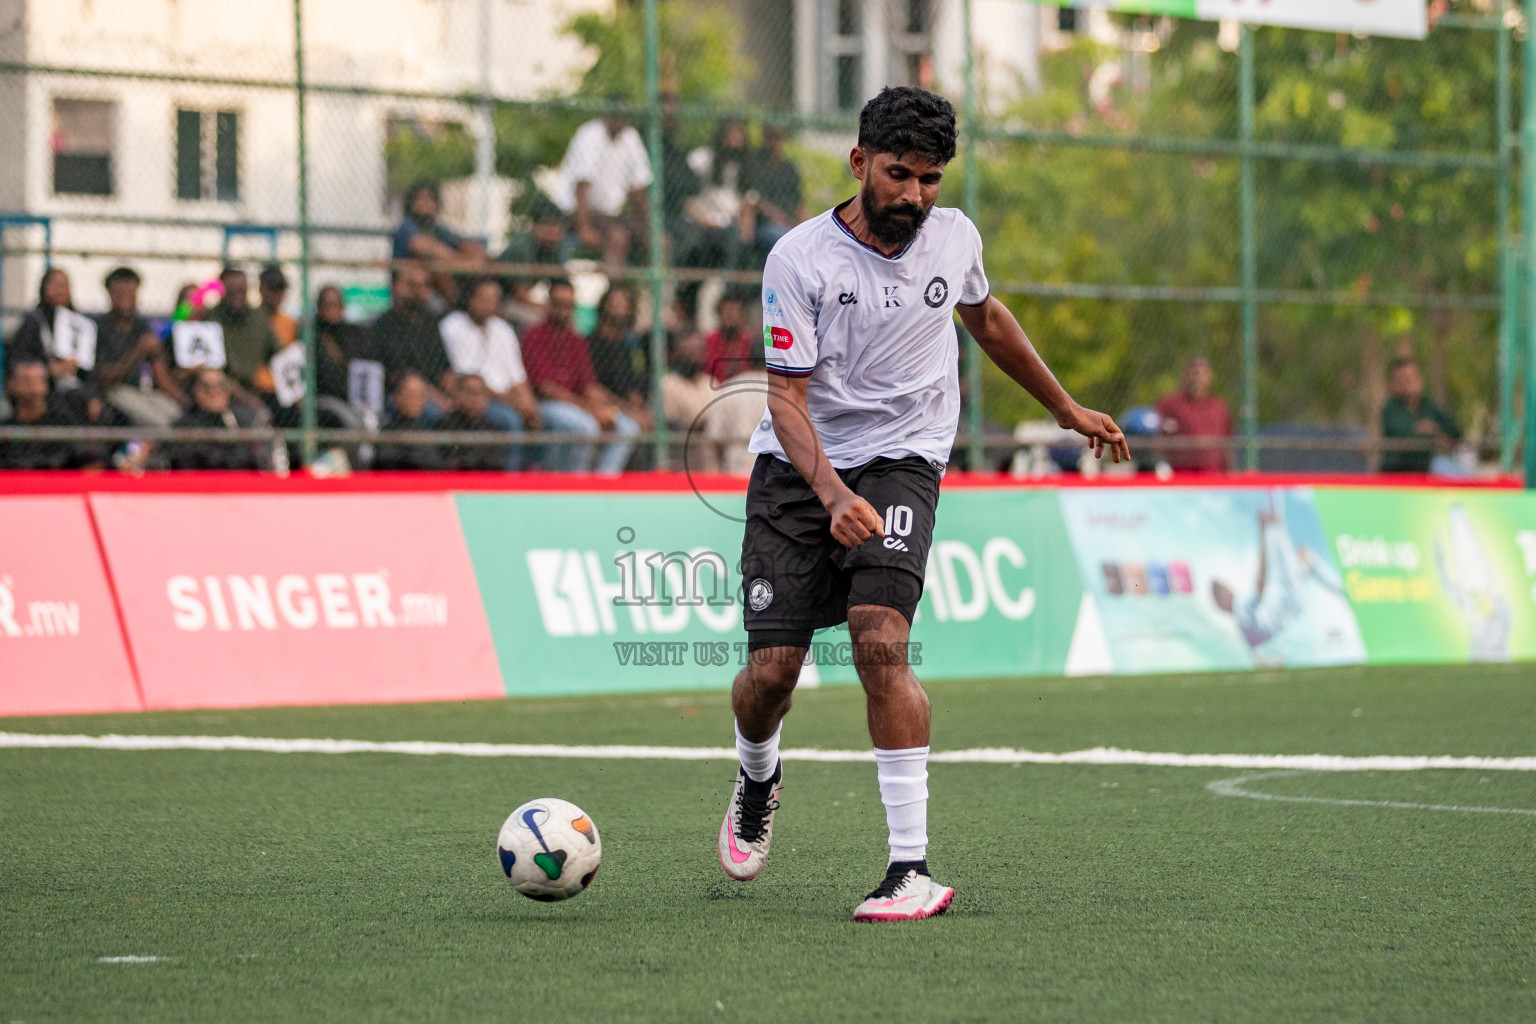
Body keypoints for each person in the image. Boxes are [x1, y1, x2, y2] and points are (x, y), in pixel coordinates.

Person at [719, 87, 1127, 922]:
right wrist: (831, 494)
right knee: (770, 676)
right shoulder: (798, 260)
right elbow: (786, 400)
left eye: (931, 180)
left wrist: (1064, 408)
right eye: (899, 175)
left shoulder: (954, 236)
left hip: (906, 457)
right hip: (801, 471)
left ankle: (910, 868)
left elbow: (985, 317)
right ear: (859, 162)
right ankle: (758, 774)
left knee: (880, 643)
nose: (915, 196)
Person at [519, 279, 640, 473]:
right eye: (558, 304)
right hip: (546, 405)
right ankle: (576, 482)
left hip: (576, 404)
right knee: (587, 427)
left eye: (568, 305)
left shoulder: (576, 339)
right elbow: (546, 389)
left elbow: (588, 385)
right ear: (548, 304)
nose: (563, 310)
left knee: (629, 427)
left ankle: (604, 481)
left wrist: (609, 408)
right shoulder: (534, 335)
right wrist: (589, 409)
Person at [438, 278, 543, 468]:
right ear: (470, 298)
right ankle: (509, 483)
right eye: (483, 299)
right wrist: (512, 402)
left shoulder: (502, 329)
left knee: (548, 420)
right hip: (476, 398)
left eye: (493, 300)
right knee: (511, 421)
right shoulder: (452, 325)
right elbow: (469, 381)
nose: (488, 305)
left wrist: (529, 404)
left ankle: (537, 479)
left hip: (509, 399)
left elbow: (518, 377)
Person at [554, 109, 652, 267]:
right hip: (579, 212)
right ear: (606, 116)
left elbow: (638, 189)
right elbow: (581, 186)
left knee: (660, 241)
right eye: (616, 116)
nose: (620, 122)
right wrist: (584, 228)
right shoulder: (590, 134)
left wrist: (649, 227)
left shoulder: (631, 137)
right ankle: (616, 290)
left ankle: (654, 290)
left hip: (611, 215)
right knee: (618, 237)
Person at [91, 266, 185, 426]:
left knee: (176, 414)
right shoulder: (99, 327)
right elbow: (103, 379)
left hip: (143, 390)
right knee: (159, 422)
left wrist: (185, 401)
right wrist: (138, 352)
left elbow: (160, 373)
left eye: (131, 293)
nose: (126, 299)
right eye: (120, 293)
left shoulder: (142, 326)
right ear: (110, 294)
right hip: (114, 390)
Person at [372, 263, 455, 414]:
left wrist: (456, 396)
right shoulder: (384, 325)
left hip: (437, 395)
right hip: (401, 395)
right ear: (396, 287)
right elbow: (399, 374)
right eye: (411, 285)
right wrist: (439, 399)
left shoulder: (430, 324)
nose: (418, 291)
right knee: (433, 412)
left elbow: (445, 370)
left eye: (423, 285)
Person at [204, 266, 280, 407]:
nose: (237, 294)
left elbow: (277, 353)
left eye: (241, 289)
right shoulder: (212, 319)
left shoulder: (259, 317)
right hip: (224, 390)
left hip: (257, 387)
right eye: (232, 290)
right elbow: (214, 370)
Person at [164, 367, 262, 470]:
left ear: (228, 391)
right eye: (206, 386)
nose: (213, 391)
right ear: (196, 390)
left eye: (220, 385)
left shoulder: (242, 421)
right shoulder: (184, 426)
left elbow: (251, 461)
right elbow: (186, 463)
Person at [496, 194, 570, 331]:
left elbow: (562, 286)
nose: (554, 232)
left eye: (557, 227)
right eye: (549, 226)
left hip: (517, 301)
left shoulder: (553, 249)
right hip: (500, 299)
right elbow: (520, 294)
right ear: (536, 226)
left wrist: (561, 309)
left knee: (565, 319)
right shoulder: (523, 247)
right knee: (539, 319)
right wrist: (548, 309)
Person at [586, 286, 653, 430]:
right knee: (630, 428)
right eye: (614, 305)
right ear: (604, 306)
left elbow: (639, 375)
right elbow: (593, 386)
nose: (619, 310)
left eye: (624, 305)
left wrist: (637, 398)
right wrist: (627, 408)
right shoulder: (591, 343)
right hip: (604, 404)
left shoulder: (631, 345)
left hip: (629, 406)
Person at [0, 359, 86, 468]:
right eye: (25, 380)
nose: (32, 387)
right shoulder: (5, 428)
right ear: (12, 384)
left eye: (36, 381)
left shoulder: (62, 424)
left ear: (45, 385)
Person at [6, 268, 83, 390]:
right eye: (57, 286)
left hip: (74, 388)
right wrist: (50, 369)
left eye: (65, 286)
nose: (62, 291)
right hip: (44, 388)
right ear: (45, 289)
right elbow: (18, 361)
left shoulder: (76, 323)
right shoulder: (34, 322)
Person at [1381, 356, 1461, 473]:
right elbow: (1402, 434)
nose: (1408, 383)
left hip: (1423, 475)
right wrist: (1428, 433)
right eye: (1403, 379)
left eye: (1413, 377)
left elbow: (1455, 431)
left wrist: (1435, 430)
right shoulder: (1391, 407)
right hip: (1395, 475)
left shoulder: (1428, 405)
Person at [1155, 356, 1232, 473]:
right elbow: (1157, 438)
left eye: (1202, 374)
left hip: (1211, 472)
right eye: (1194, 373)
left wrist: (1230, 474)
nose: (1197, 378)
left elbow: (1226, 444)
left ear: (1210, 376)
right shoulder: (1171, 405)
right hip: (1180, 472)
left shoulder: (1219, 407)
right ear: (1185, 375)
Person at [743, 123, 807, 260]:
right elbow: (754, 199)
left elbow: (800, 204)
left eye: (779, 138)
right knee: (779, 237)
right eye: (772, 137)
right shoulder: (755, 164)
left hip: (788, 224)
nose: (776, 142)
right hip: (763, 225)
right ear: (765, 138)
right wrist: (782, 220)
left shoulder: (789, 169)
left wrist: (809, 228)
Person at [703, 343, 769, 476]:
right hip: (768, 471)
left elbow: (715, 439)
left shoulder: (730, 387)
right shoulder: (780, 390)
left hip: (733, 469)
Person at [391, 180, 486, 263]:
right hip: (409, 279)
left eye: (430, 198)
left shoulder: (436, 228)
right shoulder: (407, 225)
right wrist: (456, 258)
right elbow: (418, 245)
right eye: (421, 198)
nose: (425, 203)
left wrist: (470, 251)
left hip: (434, 277)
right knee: (436, 265)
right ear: (412, 202)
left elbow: (459, 242)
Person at [434, 372, 508, 472]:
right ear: (458, 394)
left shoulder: (492, 427)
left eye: (480, 393)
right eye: (470, 392)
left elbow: (497, 464)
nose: (475, 398)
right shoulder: (445, 424)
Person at [374, 371, 446, 471]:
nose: (415, 401)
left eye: (420, 395)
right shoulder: (387, 433)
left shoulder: (427, 431)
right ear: (397, 397)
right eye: (410, 395)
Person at [702, 292, 756, 386]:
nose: (730, 315)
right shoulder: (708, 342)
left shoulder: (750, 342)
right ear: (719, 313)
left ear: (742, 315)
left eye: (735, 311)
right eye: (726, 311)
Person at [259, 265, 298, 347]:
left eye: (280, 289)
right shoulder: (253, 318)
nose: (276, 294)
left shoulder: (289, 323)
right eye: (272, 288)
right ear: (261, 289)